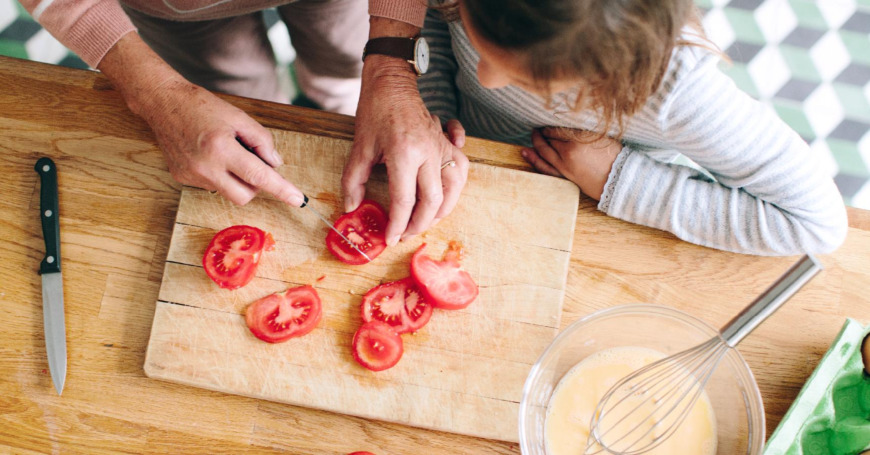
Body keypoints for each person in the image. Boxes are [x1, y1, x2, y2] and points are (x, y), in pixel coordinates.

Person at [18, 0, 468, 248]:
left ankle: (338, 106)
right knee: (236, 89)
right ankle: (260, 137)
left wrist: (389, 64)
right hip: (179, 10)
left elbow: (378, 58)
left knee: (342, 71)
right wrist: (157, 96)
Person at [416, 0, 848, 256]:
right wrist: (429, 112)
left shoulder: (676, 93)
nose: (486, 78)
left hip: (594, 219)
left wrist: (617, 179)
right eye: (476, 37)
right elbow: (433, 17)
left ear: (610, 69)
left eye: (527, 79)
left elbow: (816, 222)